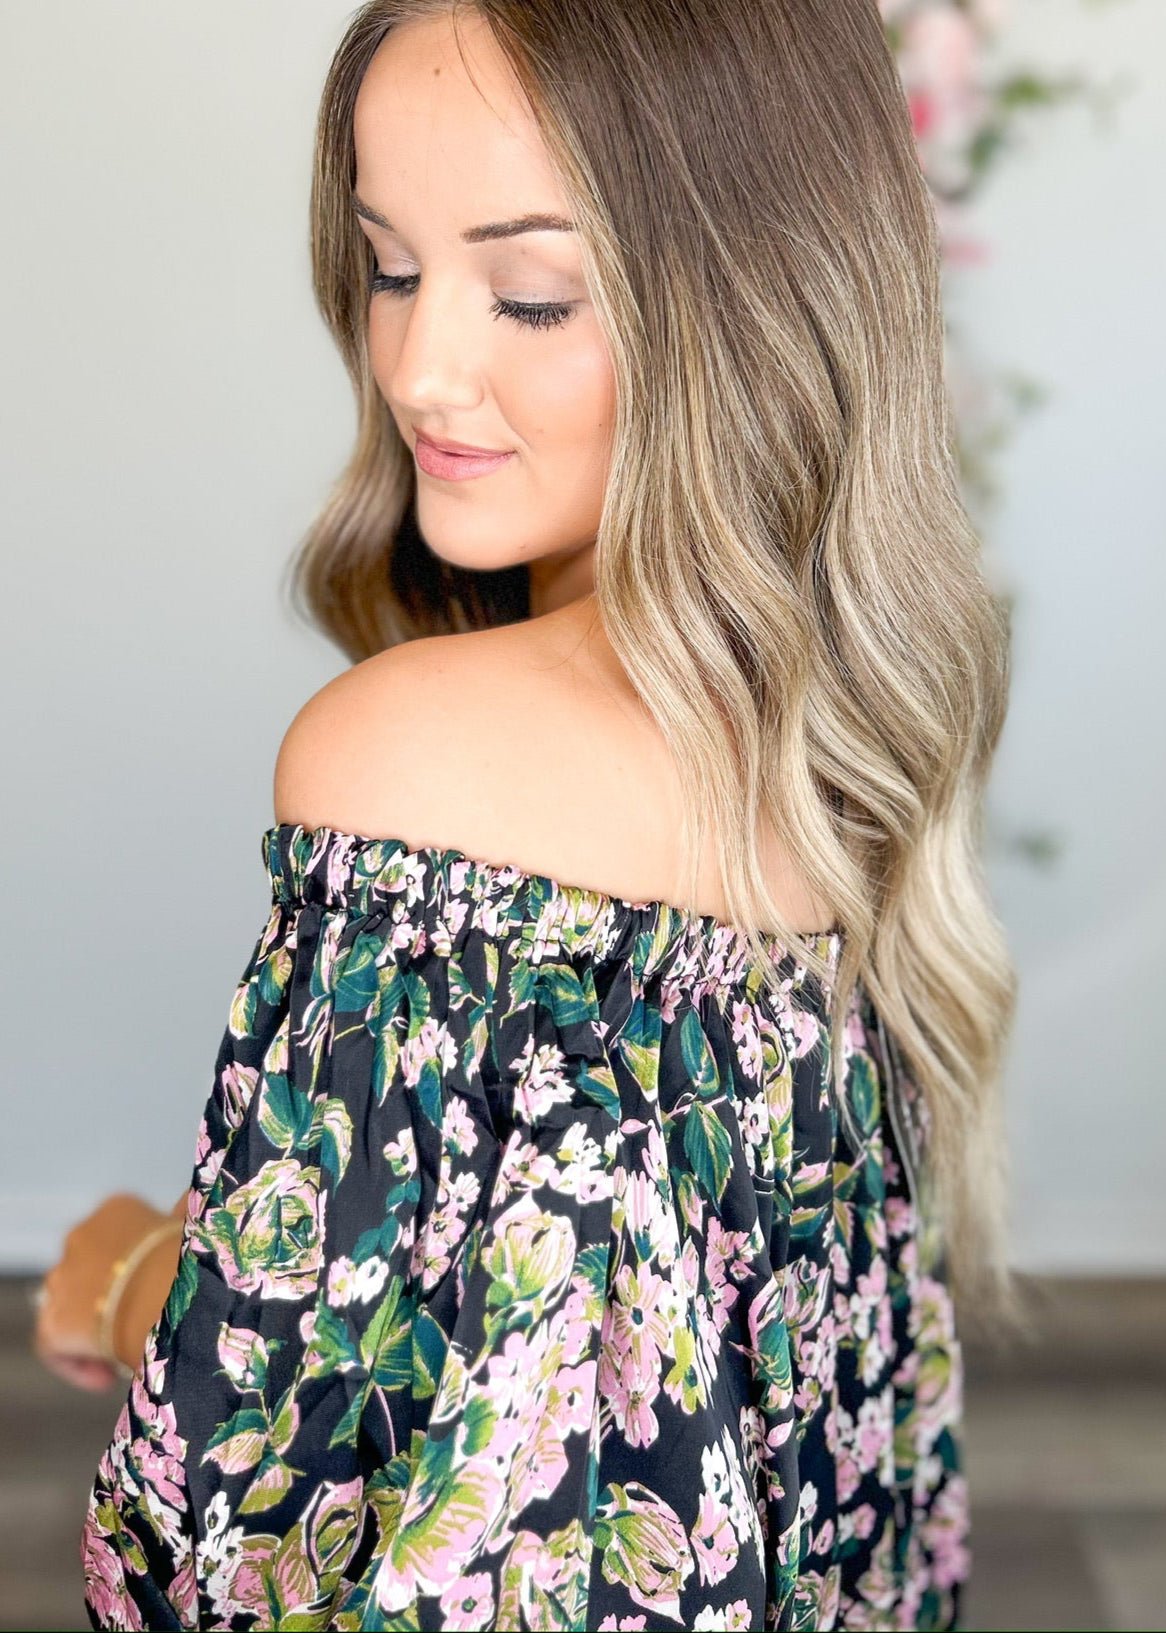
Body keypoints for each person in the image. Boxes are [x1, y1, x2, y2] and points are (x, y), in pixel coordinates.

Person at [64, 1, 1023, 1627]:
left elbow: (281, 1503)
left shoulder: (416, 768)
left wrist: (125, 1271)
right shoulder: (851, 759)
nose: (420, 366)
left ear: (756, 303)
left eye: (530, 293)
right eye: (388, 267)